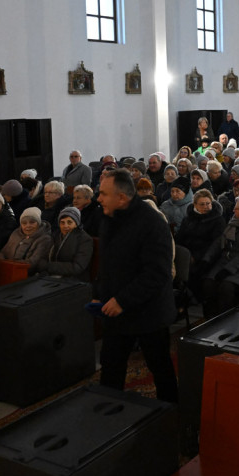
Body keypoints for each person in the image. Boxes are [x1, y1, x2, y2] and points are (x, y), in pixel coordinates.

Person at [94, 169, 178, 402]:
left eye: (103, 194)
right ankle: (108, 416)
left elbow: (157, 273)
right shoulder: (110, 218)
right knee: (111, 366)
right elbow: (109, 264)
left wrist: (123, 300)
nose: (98, 198)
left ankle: (171, 416)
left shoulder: (152, 223)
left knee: (159, 367)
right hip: (117, 309)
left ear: (121, 197)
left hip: (149, 311)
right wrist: (99, 294)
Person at [36, 205, 93, 280]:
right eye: (62, 223)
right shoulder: (56, 235)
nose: (65, 226)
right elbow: (44, 256)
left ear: (76, 223)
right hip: (52, 276)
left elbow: (77, 267)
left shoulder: (84, 239)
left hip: (73, 280)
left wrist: (48, 266)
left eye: (69, 222)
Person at [0, 206, 54, 273]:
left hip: (27, 275)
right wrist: (0, 263)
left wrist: (9, 265)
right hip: (7, 270)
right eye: (24, 223)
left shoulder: (45, 239)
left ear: (38, 223)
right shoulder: (16, 234)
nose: (28, 226)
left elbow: (34, 262)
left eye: (32, 222)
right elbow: (3, 252)